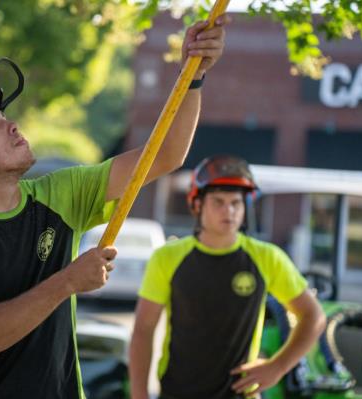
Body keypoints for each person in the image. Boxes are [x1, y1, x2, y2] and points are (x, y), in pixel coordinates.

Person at [0, 16, 229, 399]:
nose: (12, 125)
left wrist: (192, 75)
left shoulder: (62, 192)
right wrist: (68, 281)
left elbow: (164, 155)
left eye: (5, 117)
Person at [129, 155, 327, 399]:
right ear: (197, 204)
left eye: (236, 203)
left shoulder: (267, 257)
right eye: (219, 202)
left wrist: (278, 367)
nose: (229, 211)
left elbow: (313, 316)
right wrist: (139, 395)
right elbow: (143, 329)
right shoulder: (167, 257)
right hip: (176, 392)